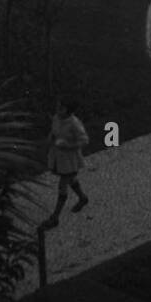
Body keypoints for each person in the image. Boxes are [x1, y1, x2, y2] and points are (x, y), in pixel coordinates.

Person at [42, 97, 89, 228]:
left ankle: (55, 217)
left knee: (63, 185)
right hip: (58, 158)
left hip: (70, 160)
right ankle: (83, 197)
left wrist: (69, 145)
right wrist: (50, 138)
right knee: (71, 179)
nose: (58, 110)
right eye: (58, 107)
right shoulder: (57, 118)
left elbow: (84, 140)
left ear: (69, 111)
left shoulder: (74, 123)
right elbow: (53, 130)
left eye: (61, 108)